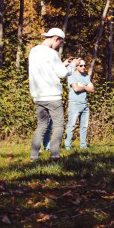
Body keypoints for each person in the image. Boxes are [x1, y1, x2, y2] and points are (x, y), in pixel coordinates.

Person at [28, 28, 77, 161]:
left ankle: (34, 156)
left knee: (41, 125)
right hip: (53, 96)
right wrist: (72, 65)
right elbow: (62, 74)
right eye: (60, 43)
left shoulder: (33, 51)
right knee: (59, 125)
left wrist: (62, 64)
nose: (59, 46)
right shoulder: (52, 53)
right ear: (56, 38)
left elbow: (47, 69)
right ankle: (54, 156)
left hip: (38, 95)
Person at [64, 59, 94, 150]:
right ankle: (68, 146)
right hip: (74, 104)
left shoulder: (86, 76)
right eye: (81, 65)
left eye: (84, 65)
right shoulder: (72, 75)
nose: (83, 67)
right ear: (76, 66)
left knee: (84, 126)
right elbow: (76, 89)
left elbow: (92, 89)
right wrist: (86, 87)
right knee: (71, 125)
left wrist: (82, 86)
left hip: (84, 104)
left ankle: (83, 146)